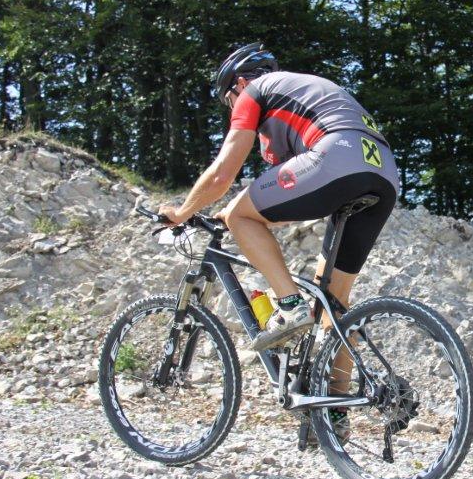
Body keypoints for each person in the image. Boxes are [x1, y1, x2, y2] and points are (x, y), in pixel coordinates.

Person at [158, 44, 400, 375]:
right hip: (384, 172)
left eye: (229, 101)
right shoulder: (302, 91)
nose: (232, 108)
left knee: (239, 214)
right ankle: (336, 405)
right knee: (333, 307)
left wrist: (183, 212)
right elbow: (289, 200)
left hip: (336, 155)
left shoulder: (253, 91)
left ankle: (289, 306)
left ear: (240, 83)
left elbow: (221, 176)